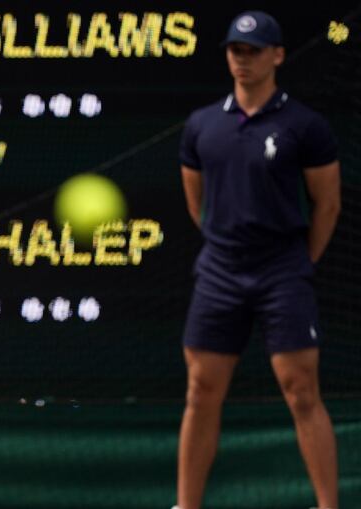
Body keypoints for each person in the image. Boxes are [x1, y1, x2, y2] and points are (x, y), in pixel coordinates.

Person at [175, 11, 341, 509]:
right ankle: (187, 505)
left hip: (283, 270)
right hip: (220, 271)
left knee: (301, 390)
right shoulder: (202, 124)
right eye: (235, 51)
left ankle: (329, 506)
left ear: (277, 56)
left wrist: (296, 260)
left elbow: (327, 204)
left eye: (252, 51)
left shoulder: (305, 125)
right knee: (201, 391)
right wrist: (225, 244)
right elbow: (195, 201)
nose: (242, 60)